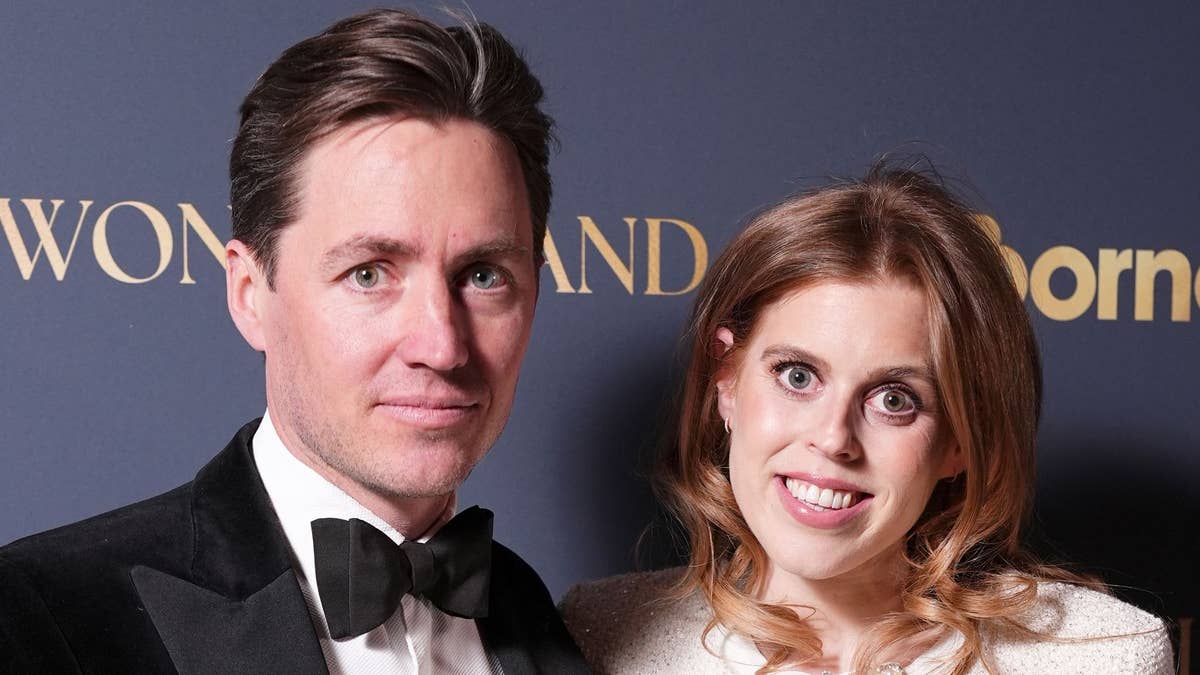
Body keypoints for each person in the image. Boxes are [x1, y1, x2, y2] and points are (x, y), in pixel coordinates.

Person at [0, 9, 589, 674]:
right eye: (368, 274)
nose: (441, 345)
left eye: (482, 276)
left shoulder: (535, 612)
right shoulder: (40, 616)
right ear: (250, 293)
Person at [561, 165, 1174, 674]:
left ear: (962, 440)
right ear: (725, 379)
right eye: (797, 376)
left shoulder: (1099, 657)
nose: (833, 439)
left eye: (894, 400)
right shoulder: (600, 636)